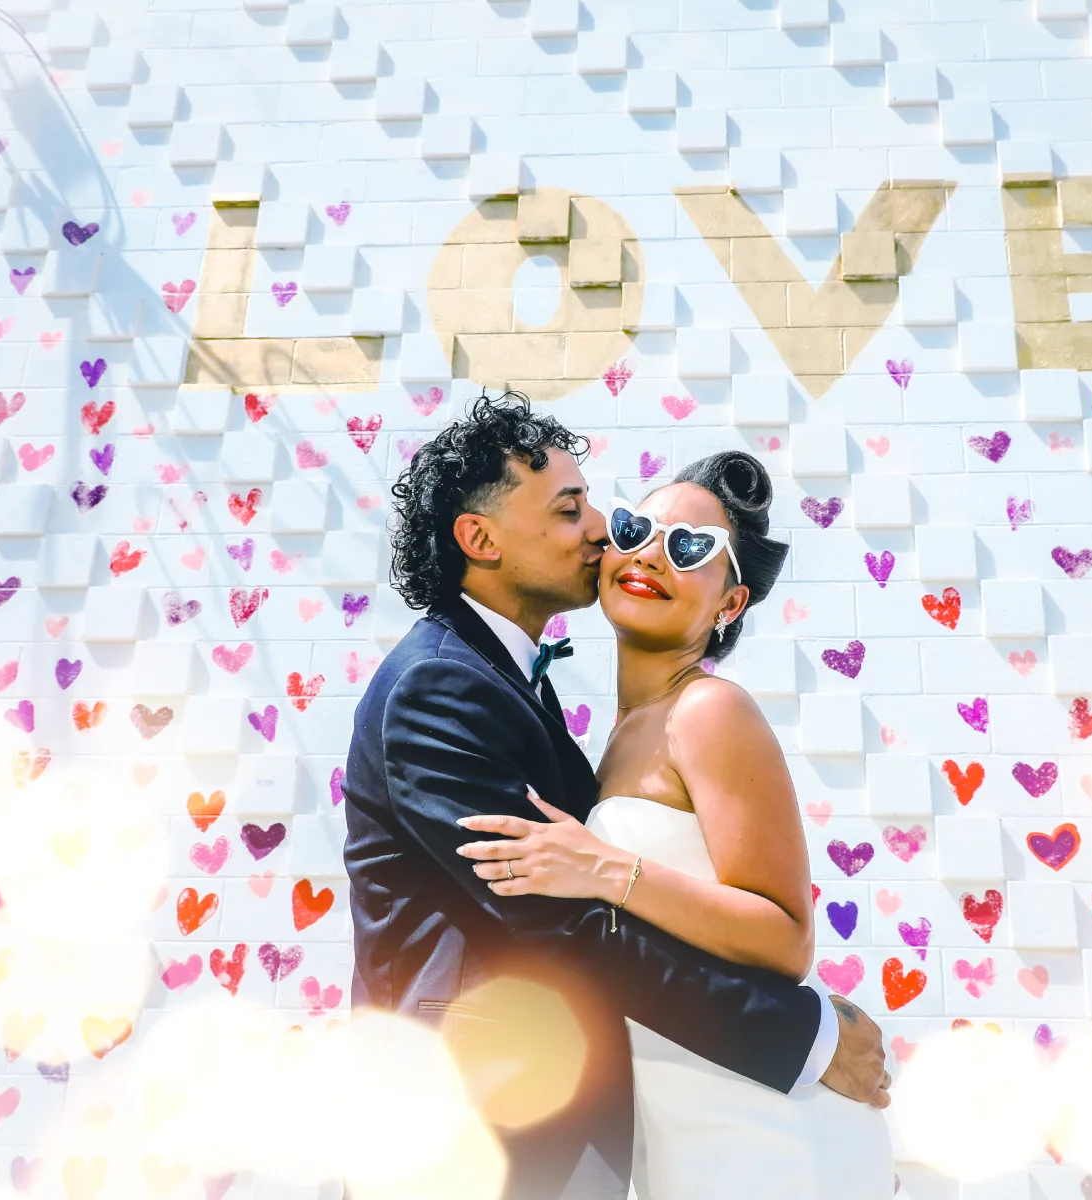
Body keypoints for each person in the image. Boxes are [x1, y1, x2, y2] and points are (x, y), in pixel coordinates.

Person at [341, 393, 891, 1200]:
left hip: (708, 1120)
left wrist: (801, 1035)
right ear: (481, 539)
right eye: (577, 512)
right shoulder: (442, 688)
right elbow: (555, 921)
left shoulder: (655, 709)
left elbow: (748, 924)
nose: (605, 533)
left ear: (731, 601)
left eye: (690, 546)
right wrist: (799, 1036)